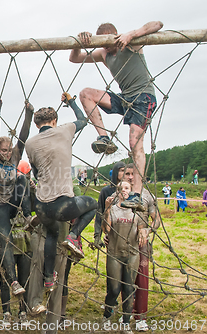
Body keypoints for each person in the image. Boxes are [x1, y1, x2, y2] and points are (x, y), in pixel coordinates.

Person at [69, 21, 163, 211]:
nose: (107, 47)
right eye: (102, 44)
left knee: (134, 142)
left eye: (109, 41)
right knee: (86, 94)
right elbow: (75, 58)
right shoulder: (104, 54)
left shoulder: (131, 43)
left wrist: (132, 34)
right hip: (125, 98)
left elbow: (158, 24)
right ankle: (104, 137)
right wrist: (79, 41)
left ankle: (136, 194)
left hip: (143, 97)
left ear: (116, 35)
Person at [25, 92, 97, 304]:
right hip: (62, 203)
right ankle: (74, 235)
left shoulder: (30, 143)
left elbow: (36, 172)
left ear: (37, 124)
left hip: (41, 205)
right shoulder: (65, 130)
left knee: (51, 233)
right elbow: (83, 120)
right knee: (93, 204)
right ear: (54, 121)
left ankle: (49, 278)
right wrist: (71, 102)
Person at [0, 97, 34, 295]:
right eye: (3, 150)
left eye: (8, 150)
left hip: (13, 202)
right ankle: (14, 282)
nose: (6, 153)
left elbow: (23, 136)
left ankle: (28, 215)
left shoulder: (15, 155)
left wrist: (29, 114)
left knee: (23, 179)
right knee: (5, 239)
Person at [120, 163, 158, 331]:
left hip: (141, 242)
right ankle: (126, 312)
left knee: (142, 279)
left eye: (133, 174)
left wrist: (149, 230)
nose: (130, 176)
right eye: (127, 173)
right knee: (124, 279)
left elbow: (156, 219)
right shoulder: (119, 196)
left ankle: (141, 316)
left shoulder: (147, 196)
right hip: (122, 242)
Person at [102, 180, 144, 334]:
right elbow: (106, 228)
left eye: (127, 188)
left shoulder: (136, 211)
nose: (124, 191)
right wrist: (106, 209)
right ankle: (107, 316)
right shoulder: (113, 210)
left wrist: (142, 233)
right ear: (117, 192)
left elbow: (141, 228)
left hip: (132, 254)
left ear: (131, 190)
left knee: (128, 288)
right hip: (114, 253)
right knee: (113, 289)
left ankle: (126, 322)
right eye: (120, 188)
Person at [94, 161, 126, 248]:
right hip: (112, 229)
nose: (124, 173)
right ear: (116, 172)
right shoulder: (106, 191)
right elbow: (100, 212)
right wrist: (97, 236)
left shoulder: (130, 190)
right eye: (122, 170)